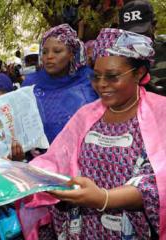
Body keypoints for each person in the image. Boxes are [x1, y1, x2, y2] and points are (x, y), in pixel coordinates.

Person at [17, 29, 165, 239]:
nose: (102, 85)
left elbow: (158, 181)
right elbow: (56, 160)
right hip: (82, 229)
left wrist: (103, 198)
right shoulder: (87, 115)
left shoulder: (161, 114)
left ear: (139, 72)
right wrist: (21, 174)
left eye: (112, 77)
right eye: (96, 76)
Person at [22, 24, 98, 144]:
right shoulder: (30, 85)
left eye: (57, 51)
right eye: (45, 52)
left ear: (71, 54)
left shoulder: (90, 80)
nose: (49, 57)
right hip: (40, 159)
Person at [119, 0, 166, 95]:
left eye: (141, 32)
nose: (136, 38)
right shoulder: (116, 55)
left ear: (154, 25)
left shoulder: (164, 49)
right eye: (130, 34)